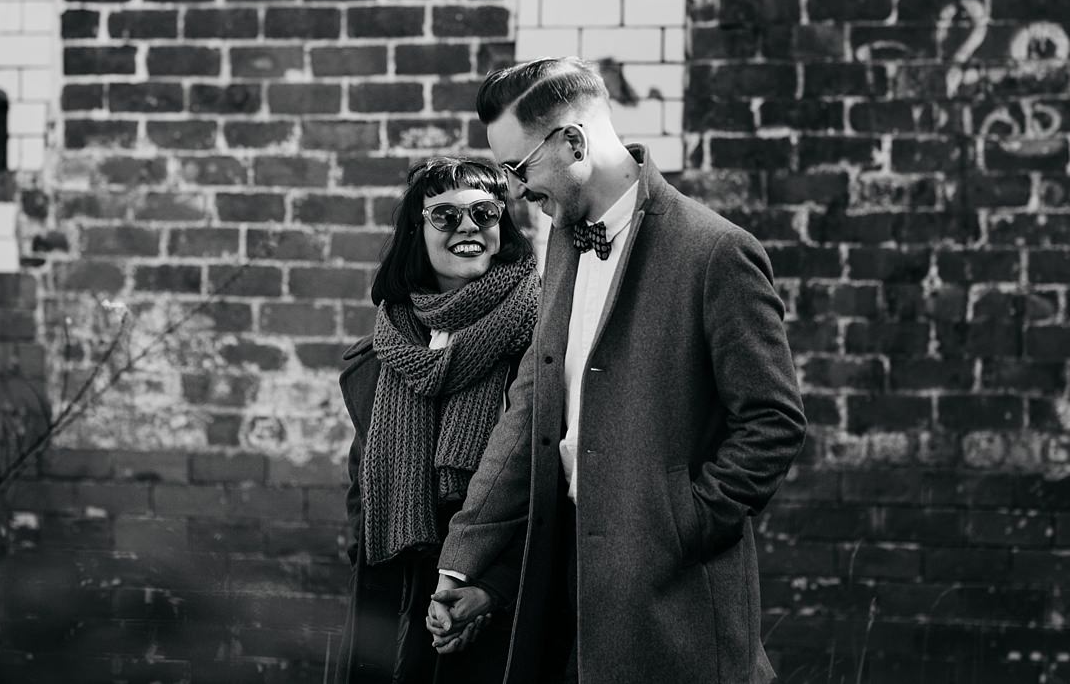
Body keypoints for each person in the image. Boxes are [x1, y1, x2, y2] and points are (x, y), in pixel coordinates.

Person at [427, 58, 807, 684]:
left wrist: (679, 526)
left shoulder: (717, 252)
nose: (515, 192)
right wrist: (464, 561)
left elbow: (772, 422)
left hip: (673, 607)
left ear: (573, 141)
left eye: (518, 170)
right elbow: (531, 412)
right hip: (564, 594)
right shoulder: (564, 247)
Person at [336, 156, 539, 684]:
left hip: (501, 607)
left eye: (485, 212)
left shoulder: (543, 343)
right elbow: (362, 486)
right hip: (393, 605)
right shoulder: (381, 353)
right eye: (445, 216)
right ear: (416, 232)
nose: (469, 227)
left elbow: (552, 486)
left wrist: (490, 589)